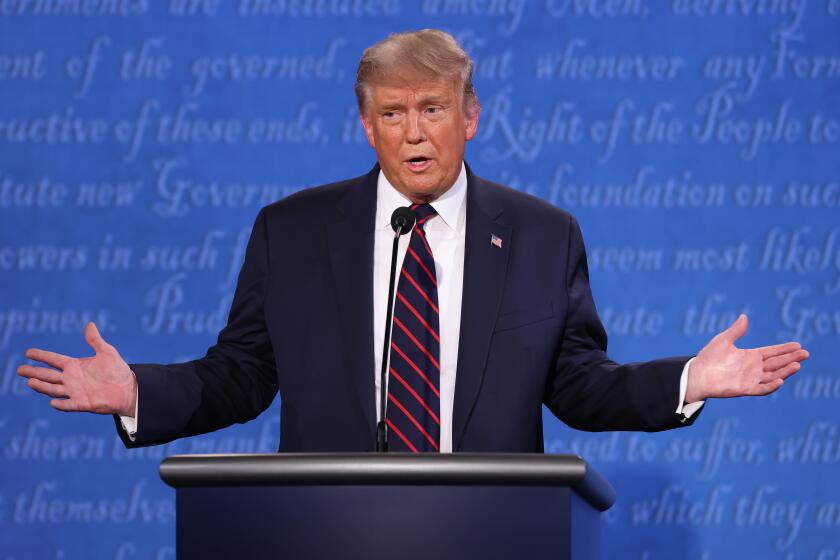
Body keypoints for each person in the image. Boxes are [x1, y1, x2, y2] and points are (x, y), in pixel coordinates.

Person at [18, 30, 808, 453]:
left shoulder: (541, 235)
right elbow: (244, 375)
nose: (415, 133)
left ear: (471, 117)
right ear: (366, 126)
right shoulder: (291, 232)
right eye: (392, 114)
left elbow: (578, 386)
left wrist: (689, 380)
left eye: (433, 108)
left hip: (496, 537)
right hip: (324, 537)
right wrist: (137, 396)